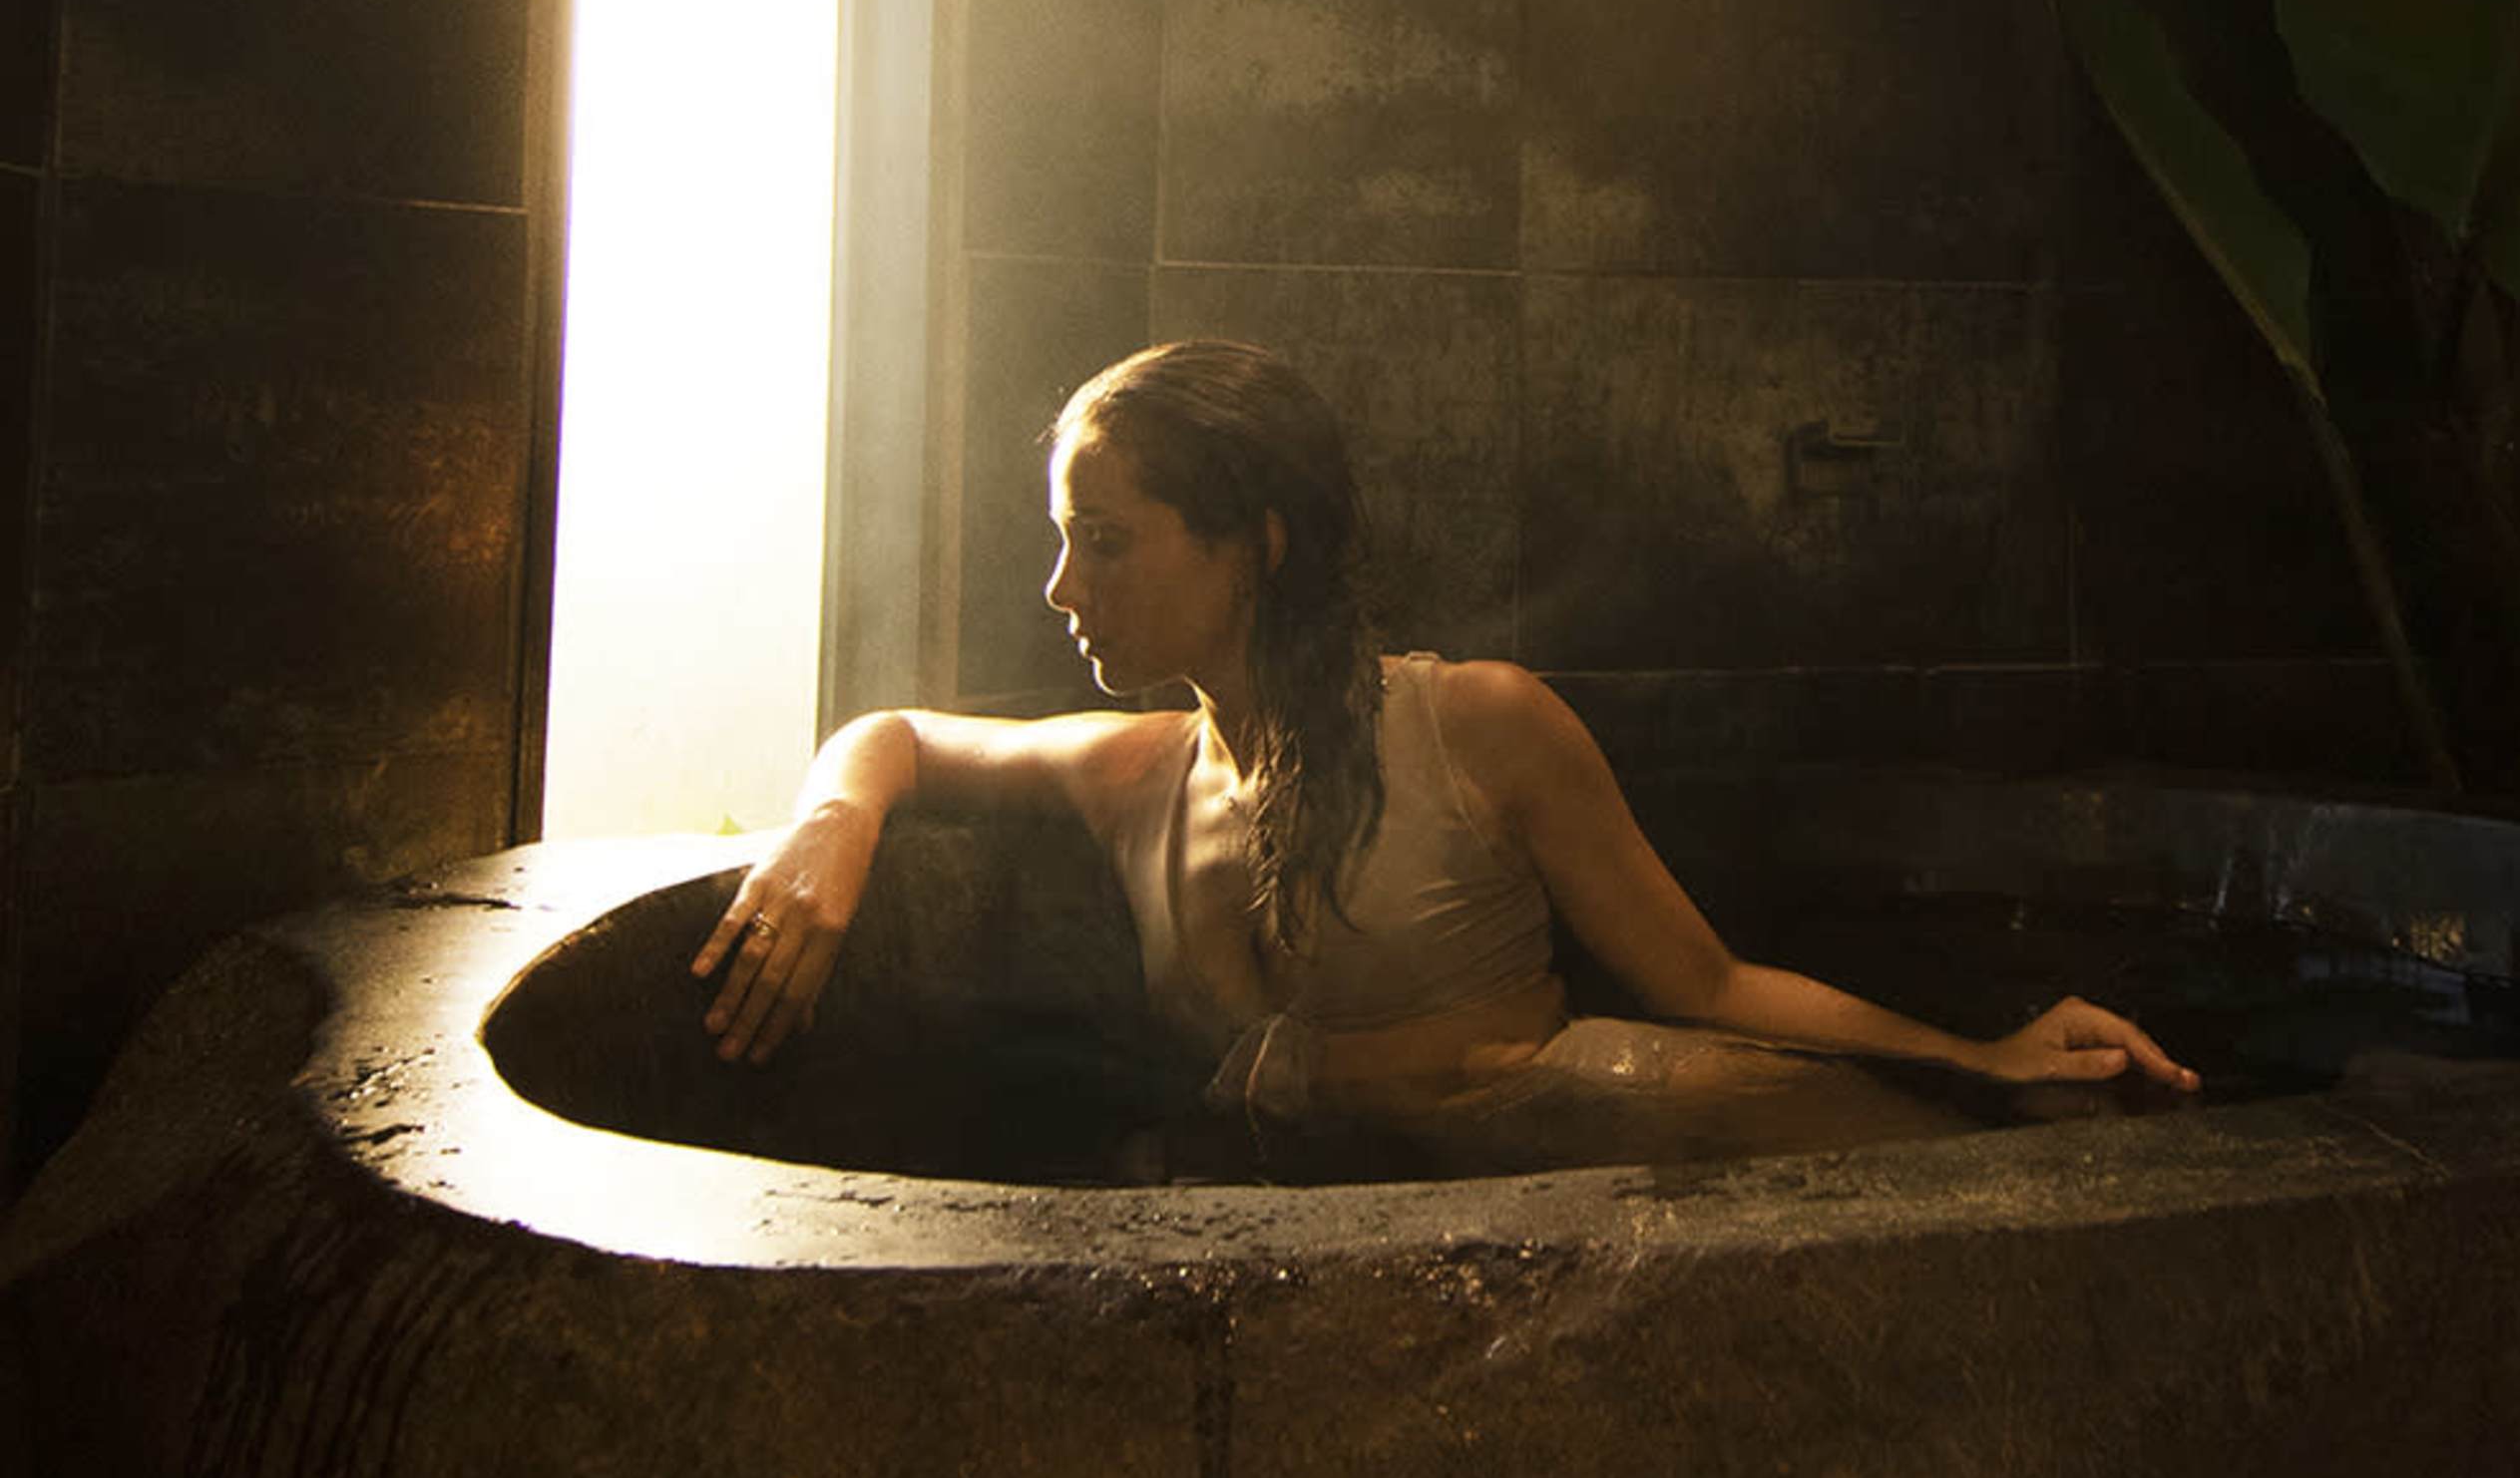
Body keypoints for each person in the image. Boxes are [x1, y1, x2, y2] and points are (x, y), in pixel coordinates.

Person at [692, 337, 2198, 1119]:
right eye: (1062, 538)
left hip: (1572, 1195)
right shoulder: (1134, 773)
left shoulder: (1478, 728)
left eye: (1107, 538)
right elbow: (892, 735)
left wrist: (1982, 1057)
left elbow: (1708, 979)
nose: (1059, 585)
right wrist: (835, 824)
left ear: (1255, 542)